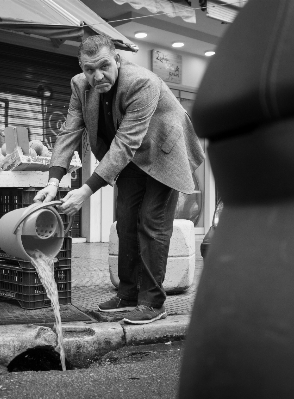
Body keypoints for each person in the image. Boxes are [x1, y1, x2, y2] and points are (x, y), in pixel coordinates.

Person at [34, 35, 205, 324]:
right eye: (90, 69)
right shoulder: (79, 85)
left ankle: (153, 302)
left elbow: (126, 142)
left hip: (164, 150)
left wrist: (86, 190)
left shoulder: (142, 82)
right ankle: (127, 294)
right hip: (130, 157)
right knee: (126, 219)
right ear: (81, 67)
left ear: (116, 60)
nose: (97, 75)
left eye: (104, 66)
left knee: (152, 222)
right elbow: (69, 131)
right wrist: (53, 181)